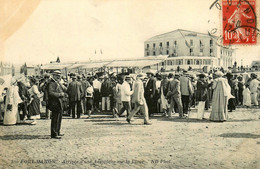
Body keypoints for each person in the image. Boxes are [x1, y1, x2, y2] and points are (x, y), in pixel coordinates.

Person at [48, 70, 67, 139]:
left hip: (59, 102)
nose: (58, 77)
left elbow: (64, 89)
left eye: (59, 76)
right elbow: (51, 93)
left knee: (59, 118)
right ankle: (54, 134)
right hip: (54, 103)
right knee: (55, 119)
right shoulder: (51, 83)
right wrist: (60, 94)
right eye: (57, 76)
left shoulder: (57, 82)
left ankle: (57, 131)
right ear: (53, 75)